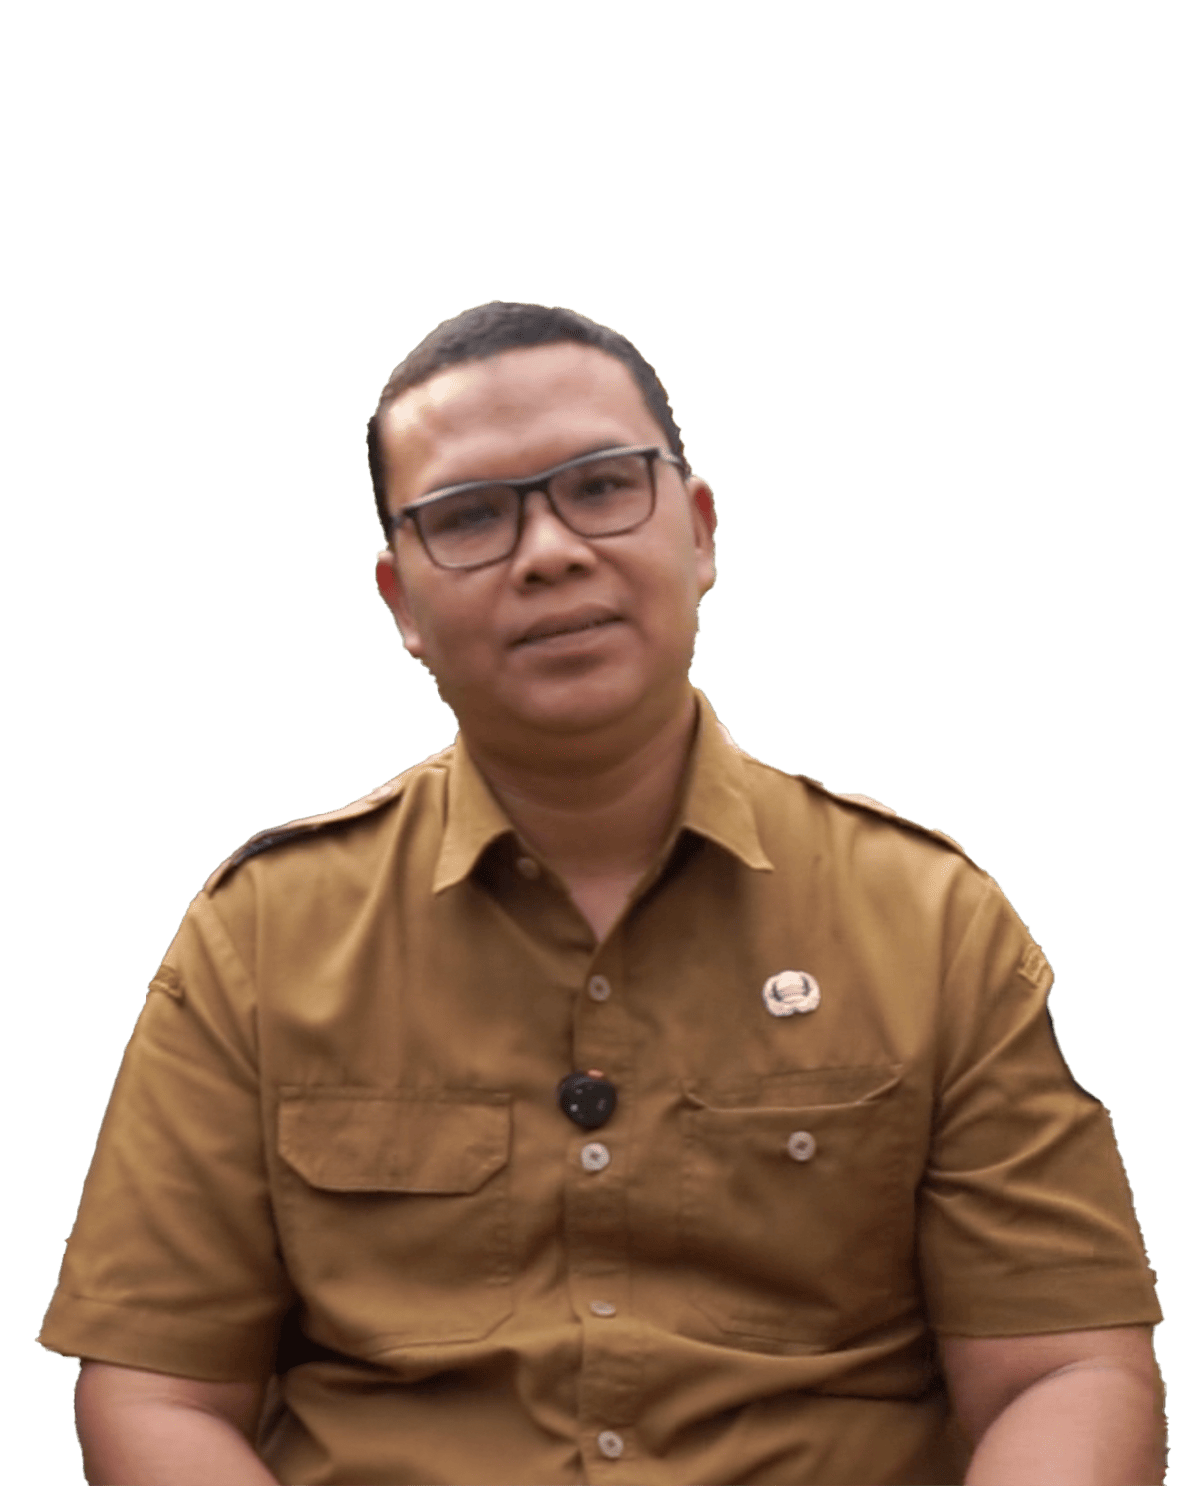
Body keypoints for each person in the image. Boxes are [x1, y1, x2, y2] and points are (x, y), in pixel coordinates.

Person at [40, 301, 1166, 1485]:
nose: (549, 551)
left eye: (600, 487)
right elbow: (158, 1392)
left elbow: (1064, 1371)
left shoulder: (928, 922)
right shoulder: (263, 939)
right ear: (401, 602)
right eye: (469, 516)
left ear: (700, 529)